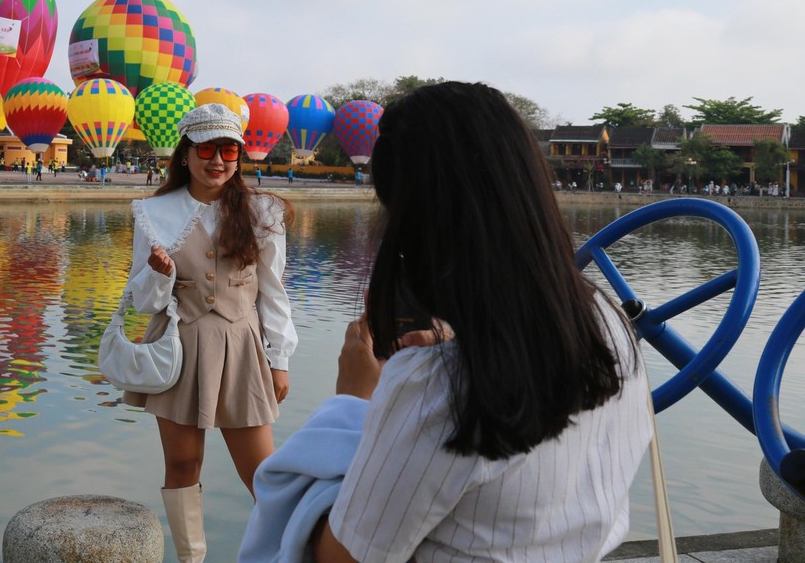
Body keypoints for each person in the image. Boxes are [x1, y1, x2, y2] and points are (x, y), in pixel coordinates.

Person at [240, 82, 651, 563]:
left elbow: (343, 556)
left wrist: (351, 403)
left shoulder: (437, 382)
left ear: (411, 219)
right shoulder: (610, 324)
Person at [119, 103, 297, 563]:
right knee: (182, 465)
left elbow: (274, 293)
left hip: (243, 348)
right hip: (178, 348)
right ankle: (190, 559)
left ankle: (285, 554)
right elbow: (143, 301)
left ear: (239, 155)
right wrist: (159, 274)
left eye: (228, 150)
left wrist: (279, 359)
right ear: (185, 154)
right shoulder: (154, 212)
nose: (217, 161)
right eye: (206, 149)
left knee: (263, 474)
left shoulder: (264, 211)